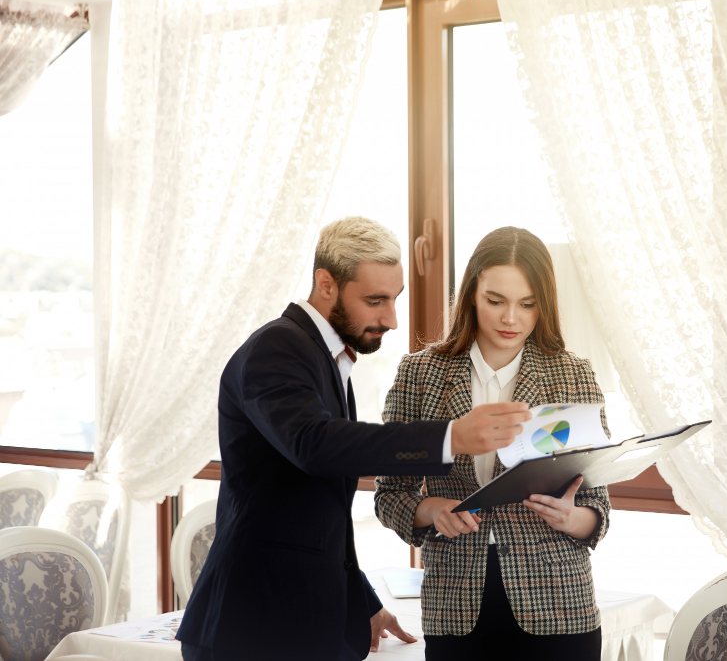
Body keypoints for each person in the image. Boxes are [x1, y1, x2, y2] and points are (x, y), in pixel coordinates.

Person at [176, 217, 532, 661]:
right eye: (375, 300)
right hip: (256, 626)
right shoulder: (277, 349)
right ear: (326, 284)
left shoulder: (325, 360)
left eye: (395, 299)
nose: (392, 319)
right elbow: (317, 446)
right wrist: (450, 437)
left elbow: (313, 514)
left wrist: (361, 601)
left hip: (298, 623)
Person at [374, 227, 611, 661]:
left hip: (559, 606)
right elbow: (390, 495)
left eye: (527, 305)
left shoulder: (573, 375)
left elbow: (599, 509)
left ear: (544, 304)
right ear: (471, 295)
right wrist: (432, 511)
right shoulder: (420, 375)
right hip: (455, 606)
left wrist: (571, 518)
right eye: (495, 301)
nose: (510, 319)